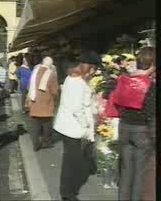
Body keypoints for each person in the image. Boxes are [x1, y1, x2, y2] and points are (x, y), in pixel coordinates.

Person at [107, 47, 155, 201]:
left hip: (124, 127)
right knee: (139, 173)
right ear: (152, 65)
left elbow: (117, 103)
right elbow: (151, 114)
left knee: (126, 170)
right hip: (142, 131)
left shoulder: (123, 80)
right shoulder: (150, 85)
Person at [53, 51, 101, 201]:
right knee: (71, 162)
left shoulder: (72, 78)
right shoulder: (78, 83)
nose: (95, 73)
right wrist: (86, 125)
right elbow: (77, 109)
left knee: (71, 160)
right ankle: (67, 194)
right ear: (91, 68)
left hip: (67, 126)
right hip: (72, 128)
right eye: (95, 69)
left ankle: (67, 191)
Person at [28, 56, 59, 152]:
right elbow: (54, 91)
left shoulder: (35, 71)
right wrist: (57, 97)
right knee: (47, 124)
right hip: (46, 102)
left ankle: (35, 144)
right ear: (50, 64)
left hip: (34, 101)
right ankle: (46, 142)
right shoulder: (51, 74)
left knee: (35, 125)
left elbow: (29, 85)